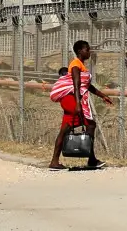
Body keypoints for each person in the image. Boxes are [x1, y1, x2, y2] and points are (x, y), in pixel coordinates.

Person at [49, 40, 112, 170]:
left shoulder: (81, 65)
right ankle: (91, 160)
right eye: (87, 49)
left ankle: (55, 161)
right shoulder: (76, 65)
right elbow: (76, 85)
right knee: (90, 125)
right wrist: (78, 104)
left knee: (67, 129)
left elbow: (87, 86)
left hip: (72, 99)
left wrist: (102, 95)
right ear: (80, 51)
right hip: (72, 100)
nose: (89, 52)